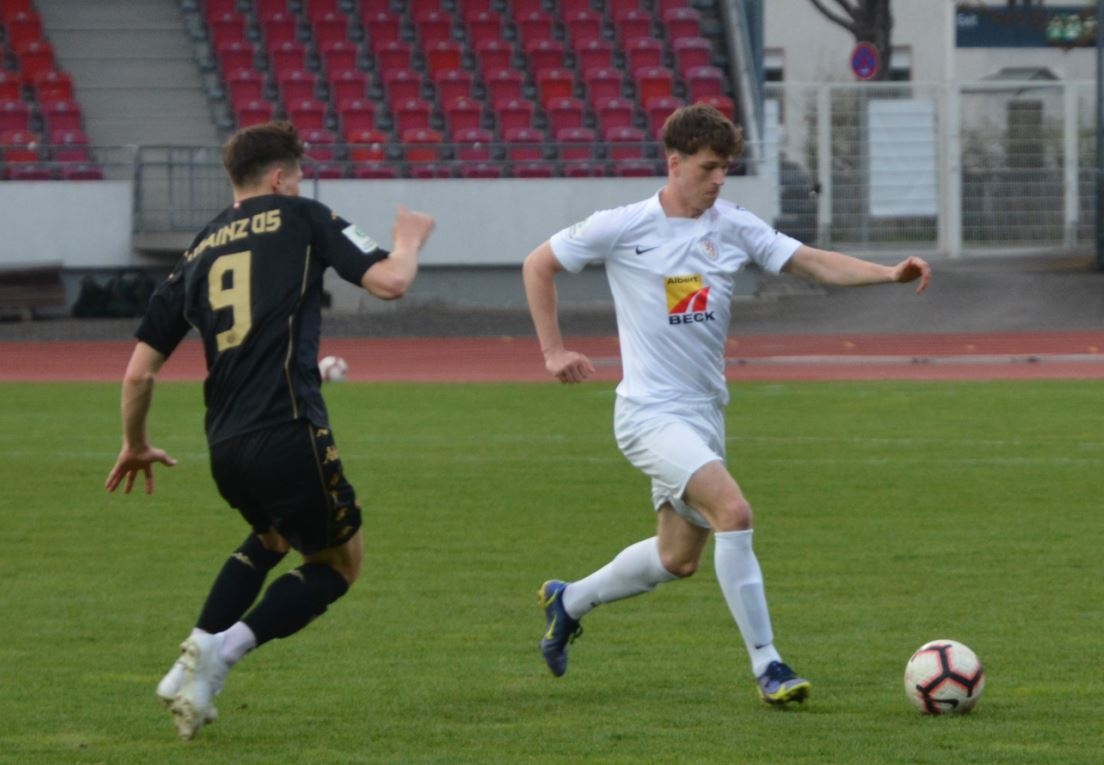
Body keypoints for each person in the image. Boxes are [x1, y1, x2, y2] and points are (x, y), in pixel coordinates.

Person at [522, 103, 930, 705]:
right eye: (708, 168)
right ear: (675, 163)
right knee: (733, 512)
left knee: (676, 559)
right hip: (648, 414)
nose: (718, 180)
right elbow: (538, 264)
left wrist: (888, 274)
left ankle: (570, 600)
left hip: (704, 415)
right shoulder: (624, 226)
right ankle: (769, 665)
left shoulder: (733, 225)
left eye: (726, 169)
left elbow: (811, 262)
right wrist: (553, 351)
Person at [105, 121, 435, 739]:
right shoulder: (303, 216)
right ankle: (220, 656)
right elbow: (391, 282)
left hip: (224, 444)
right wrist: (407, 240)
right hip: (288, 428)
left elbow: (138, 374)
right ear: (280, 178)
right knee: (340, 564)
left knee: (273, 535)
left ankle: (188, 659)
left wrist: (135, 443)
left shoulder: (199, 248)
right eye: (299, 175)